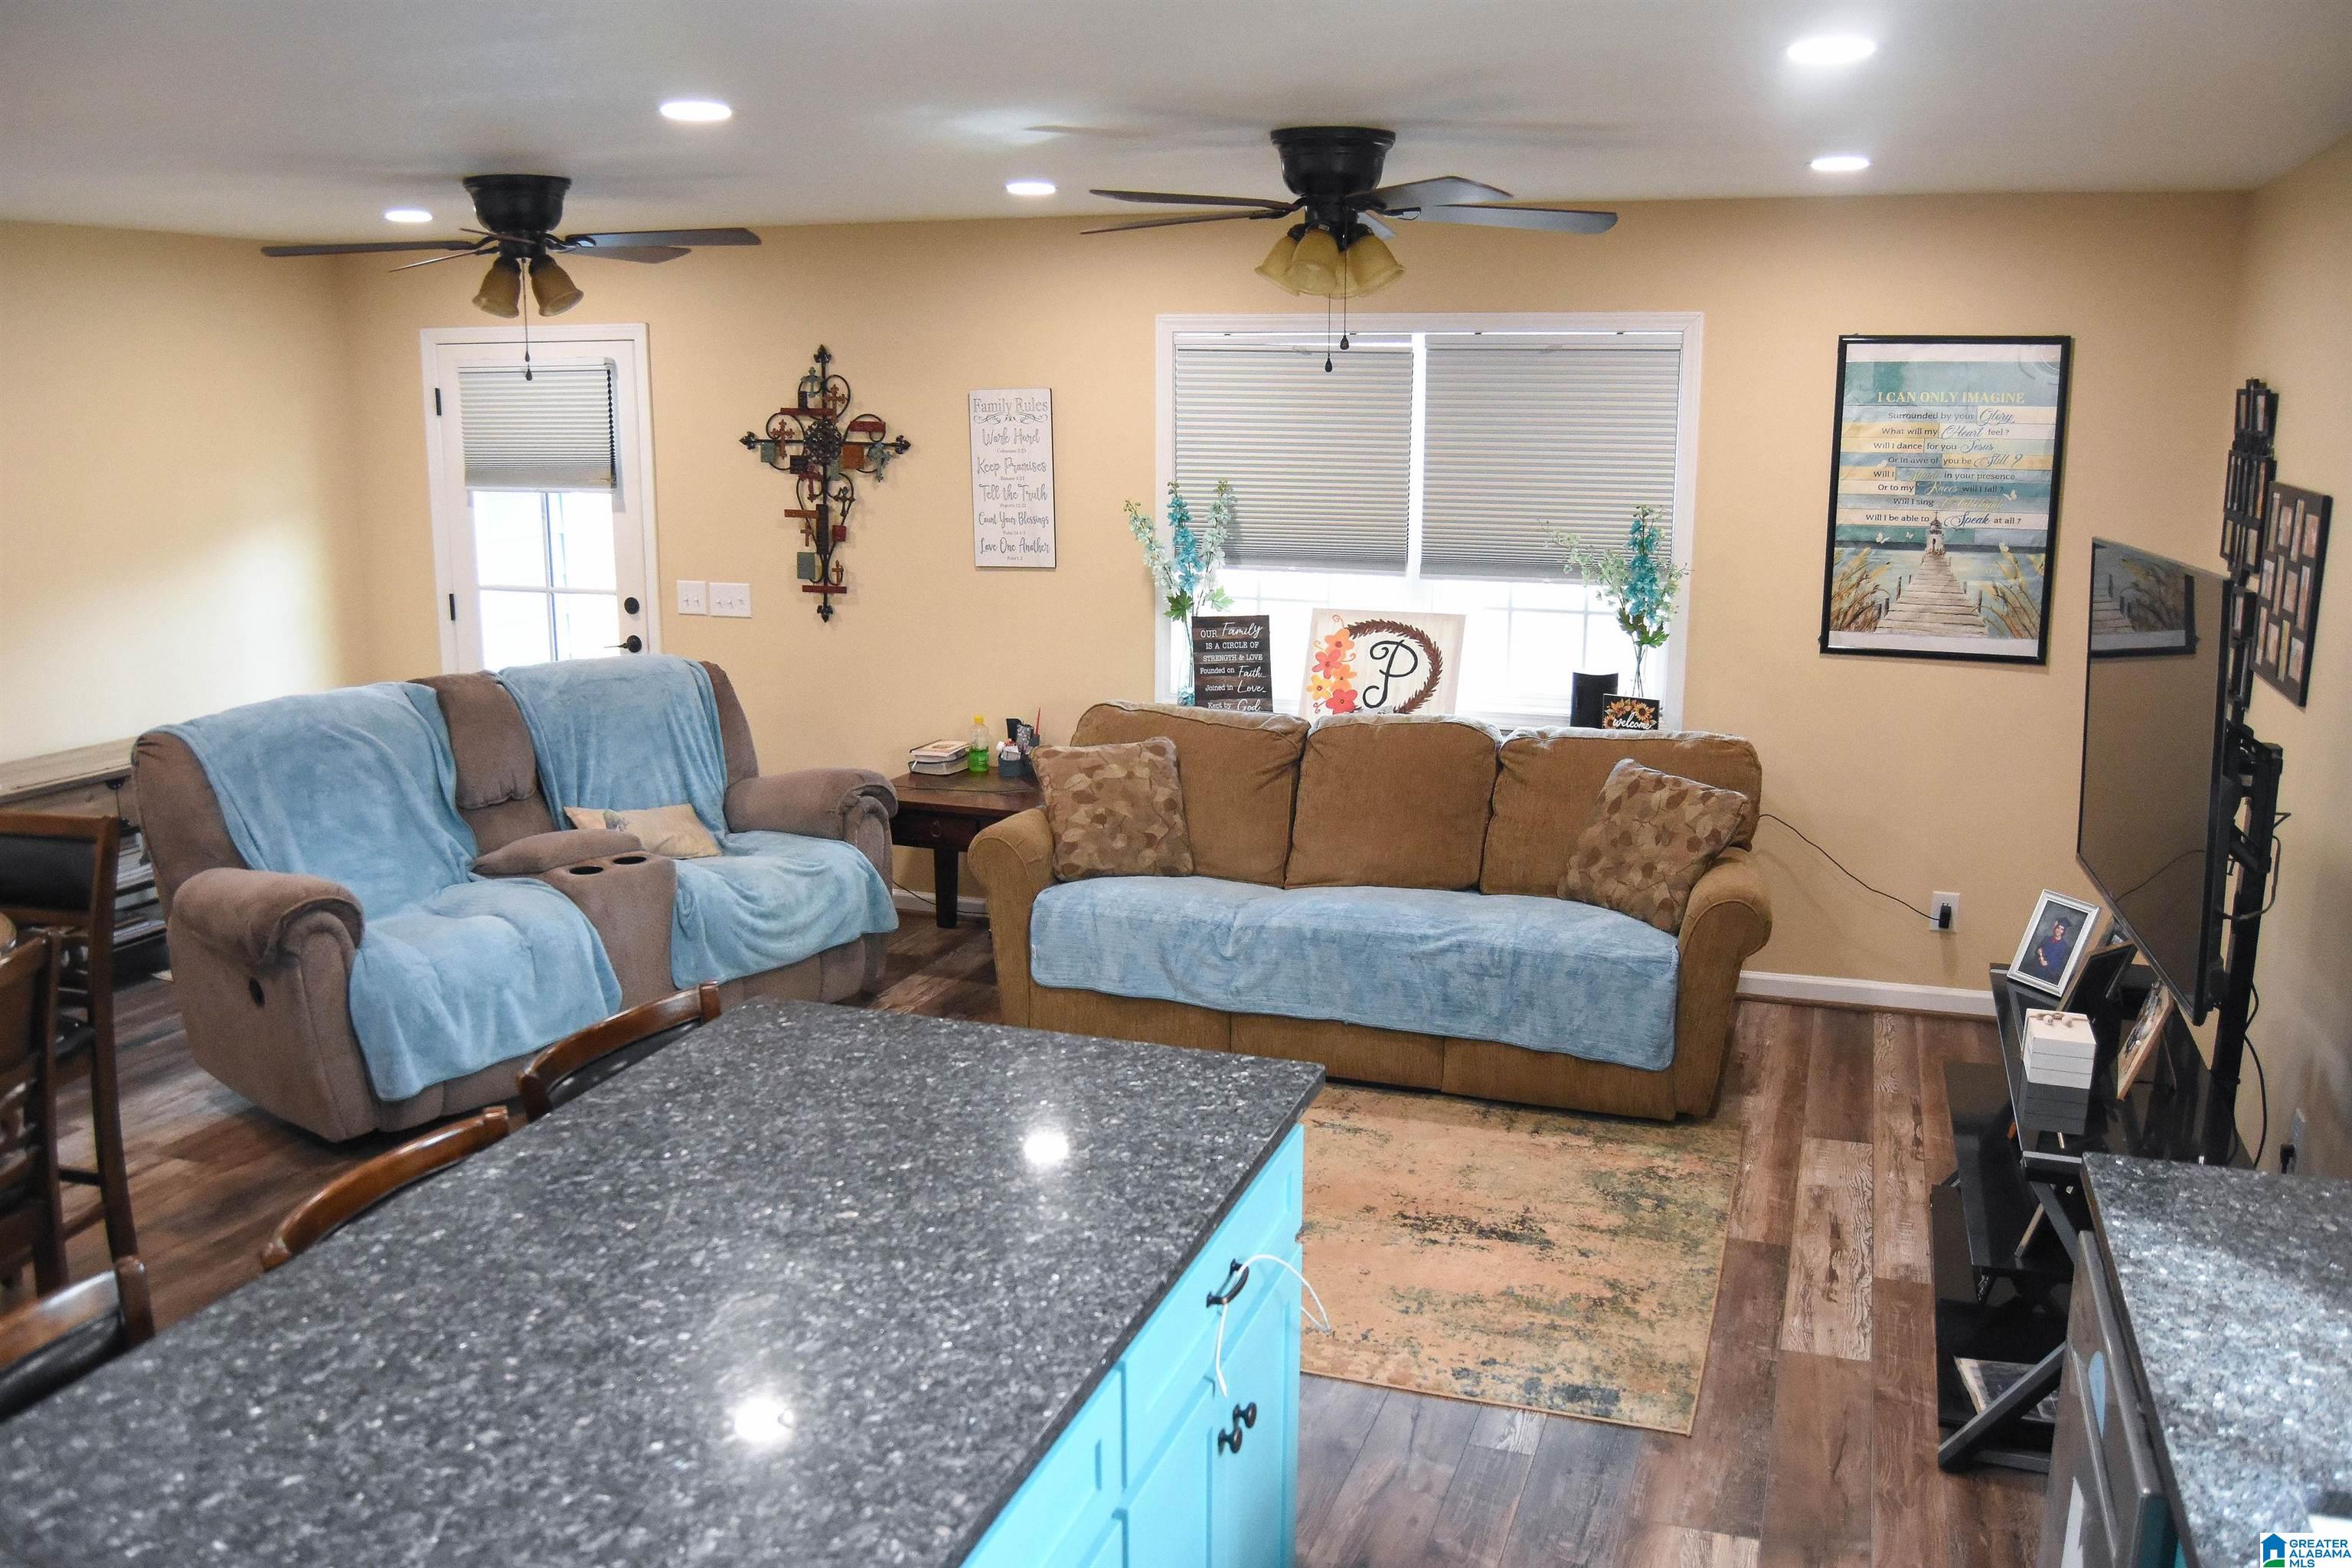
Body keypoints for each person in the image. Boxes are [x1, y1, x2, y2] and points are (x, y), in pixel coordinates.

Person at [2021, 914, 2075, 985]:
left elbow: (2060, 961)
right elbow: (2038, 950)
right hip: (2037, 965)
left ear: (2064, 931)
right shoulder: (2047, 939)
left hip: (2050, 971)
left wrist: (2048, 963)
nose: (2059, 931)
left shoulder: (2064, 946)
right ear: (2055, 928)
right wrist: (2038, 952)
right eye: (2058, 928)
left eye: (2062, 929)